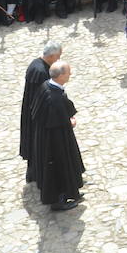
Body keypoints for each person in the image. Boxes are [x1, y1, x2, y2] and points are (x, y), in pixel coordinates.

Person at [28, 60, 85, 210]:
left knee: (65, 164)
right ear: (60, 76)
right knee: (58, 168)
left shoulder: (45, 86)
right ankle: (59, 200)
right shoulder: (54, 98)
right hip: (55, 143)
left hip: (51, 137)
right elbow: (56, 120)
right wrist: (69, 122)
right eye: (68, 72)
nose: (70, 74)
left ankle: (70, 191)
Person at [20, 42, 62, 178]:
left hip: (33, 112)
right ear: (52, 56)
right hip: (38, 116)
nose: (58, 60)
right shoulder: (41, 72)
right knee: (39, 145)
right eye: (58, 56)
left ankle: (33, 174)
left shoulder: (36, 65)